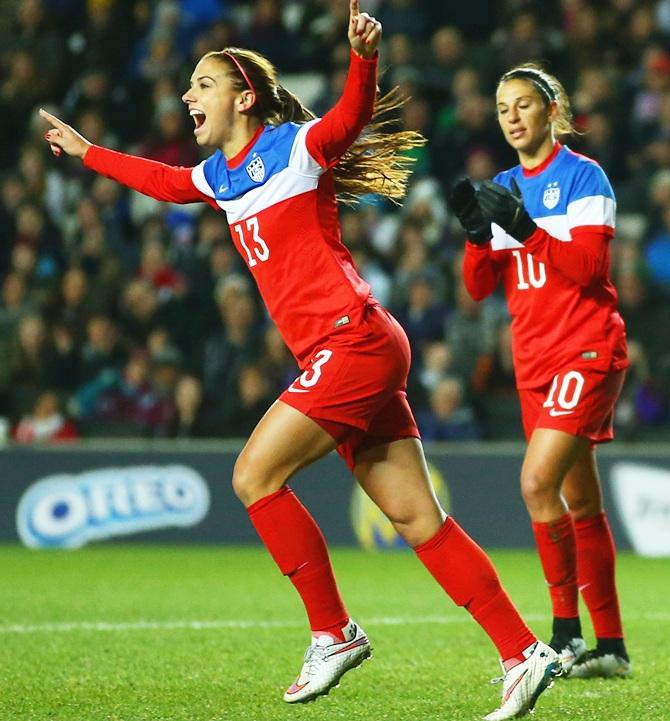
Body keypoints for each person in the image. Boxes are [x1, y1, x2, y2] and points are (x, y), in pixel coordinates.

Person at [40, 5, 560, 718]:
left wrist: (362, 59)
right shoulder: (219, 177)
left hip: (353, 340)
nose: (188, 96)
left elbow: (348, 118)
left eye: (203, 84)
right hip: (350, 348)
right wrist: (88, 150)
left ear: (244, 97)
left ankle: (333, 631)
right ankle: (523, 651)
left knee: (253, 475)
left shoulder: (294, 148)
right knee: (418, 519)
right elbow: (162, 181)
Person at [448, 62, 631, 679]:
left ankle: (566, 636)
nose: (513, 117)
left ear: (551, 110)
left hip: (586, 348)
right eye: (503, 109)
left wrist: (523, 228)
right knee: (579, 499)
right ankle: (611, 647)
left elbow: (589, 271)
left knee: (535, 484)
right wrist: (478, 233)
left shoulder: (584, 177)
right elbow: (477, 288)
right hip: (533, 361)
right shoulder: (501, 183)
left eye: (523, 104)